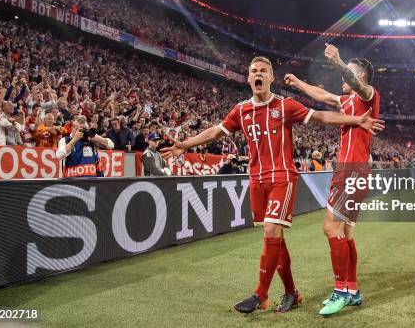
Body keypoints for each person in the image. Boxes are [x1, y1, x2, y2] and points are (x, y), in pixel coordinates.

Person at [161, 56, 384, 314]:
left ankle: (310, 292)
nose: (258, 74)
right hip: (259, 179)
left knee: (321, 228)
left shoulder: (365, 96)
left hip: (317, 174)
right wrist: (185, 144)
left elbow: (323, 114)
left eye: (263, 71)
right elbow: (215, 131)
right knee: (323, 234)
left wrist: (339, 65)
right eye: (253, 71)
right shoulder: (243, 109)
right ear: (248, 77)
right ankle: (330, 290)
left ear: (270, 77)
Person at [284, 43, 381, 315]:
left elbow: (356, 84)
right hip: (356, 170)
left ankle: (340, 291)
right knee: (346, 233)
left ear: (360, 76)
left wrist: (339, 62)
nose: (342, 77)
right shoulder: (347, 101)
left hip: (351, 170)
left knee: (331, 229)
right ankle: (352, 290)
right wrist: (298, 82)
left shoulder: (367, 95)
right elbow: (321, 94)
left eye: (349, 73)